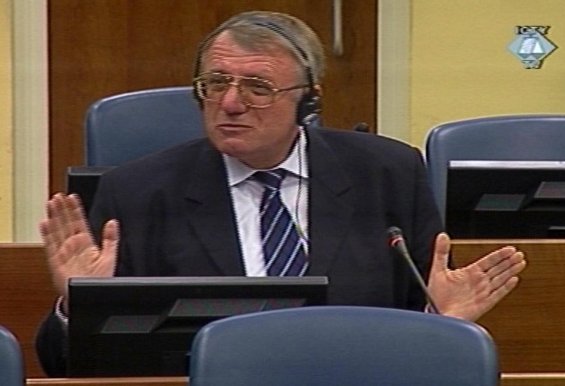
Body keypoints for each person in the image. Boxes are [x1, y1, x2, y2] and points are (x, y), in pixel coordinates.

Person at [36, 10, 526, 376]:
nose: (230, 102)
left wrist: (439, 321)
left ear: (308, 100)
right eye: (216, 83)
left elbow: (423, 331)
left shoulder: (388, 173)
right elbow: (67, 371)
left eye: (257, 87)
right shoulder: (139, 192)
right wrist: (79, 311)